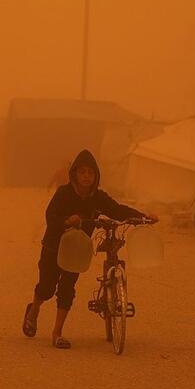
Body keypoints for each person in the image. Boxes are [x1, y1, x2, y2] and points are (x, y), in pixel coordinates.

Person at [22, 149, 157, 349]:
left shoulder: (97, 197)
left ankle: (57, 333)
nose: (86, 177)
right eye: (83, 172)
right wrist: (67, 221)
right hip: (54, 247)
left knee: (67, 288)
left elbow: (117, 210)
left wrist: (143, 217)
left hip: (77, 249)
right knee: (47, 288)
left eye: (91, 173)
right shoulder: (63, 194)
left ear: (96, 176)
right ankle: (34, 309)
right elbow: (50, 217)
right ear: (74, 174)